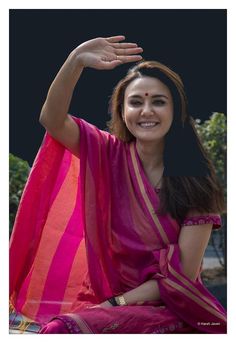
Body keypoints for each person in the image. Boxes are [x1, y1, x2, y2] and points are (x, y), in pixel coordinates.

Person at [9, 35, 226, 334]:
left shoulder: (194, 180)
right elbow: (52, 119)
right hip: (108, 299)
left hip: (172, 306)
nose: (146, 111)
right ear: (122, 112)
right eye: (136, 102)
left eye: (159, 102)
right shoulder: (107, 153)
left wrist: (115, 304)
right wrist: (75, 61)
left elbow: (182, 277)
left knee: (62, 330)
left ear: (176, 111)